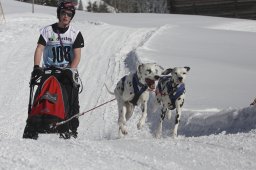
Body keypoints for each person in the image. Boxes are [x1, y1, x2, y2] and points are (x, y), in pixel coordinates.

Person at [24, 1, 84, 139]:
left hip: (66, 71)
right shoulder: (47, 31)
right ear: (59, 14)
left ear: (71, 17)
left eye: (69, 14)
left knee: (72, 99)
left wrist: (71, 69)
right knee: (40, 96)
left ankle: (71, 129)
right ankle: (33, 126)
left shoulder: (75, 33)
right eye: (63, 13)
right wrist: (36, 67)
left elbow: (77, 55)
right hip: (49, 70)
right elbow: (39, 48)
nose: (66, 16)